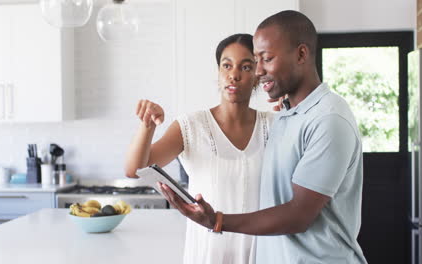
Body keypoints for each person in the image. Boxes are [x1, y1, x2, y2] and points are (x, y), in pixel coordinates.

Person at [159, 10, 368, 264]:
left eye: (266, 59)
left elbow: (298, 215)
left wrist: (217, 221)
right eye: (255, 61)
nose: (257, 71)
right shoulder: (285, 116)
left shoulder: (329, 120)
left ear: (301, 54)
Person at [125, 34, 276, 263]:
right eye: (227, 65)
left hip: (262, 255)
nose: (234, 75)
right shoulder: (191, 126)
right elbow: (134, 170)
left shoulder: (274, 125)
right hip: (207, 255)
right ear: (218, 72)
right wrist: (147, 126)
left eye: (246, 67)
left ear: (257, 75)